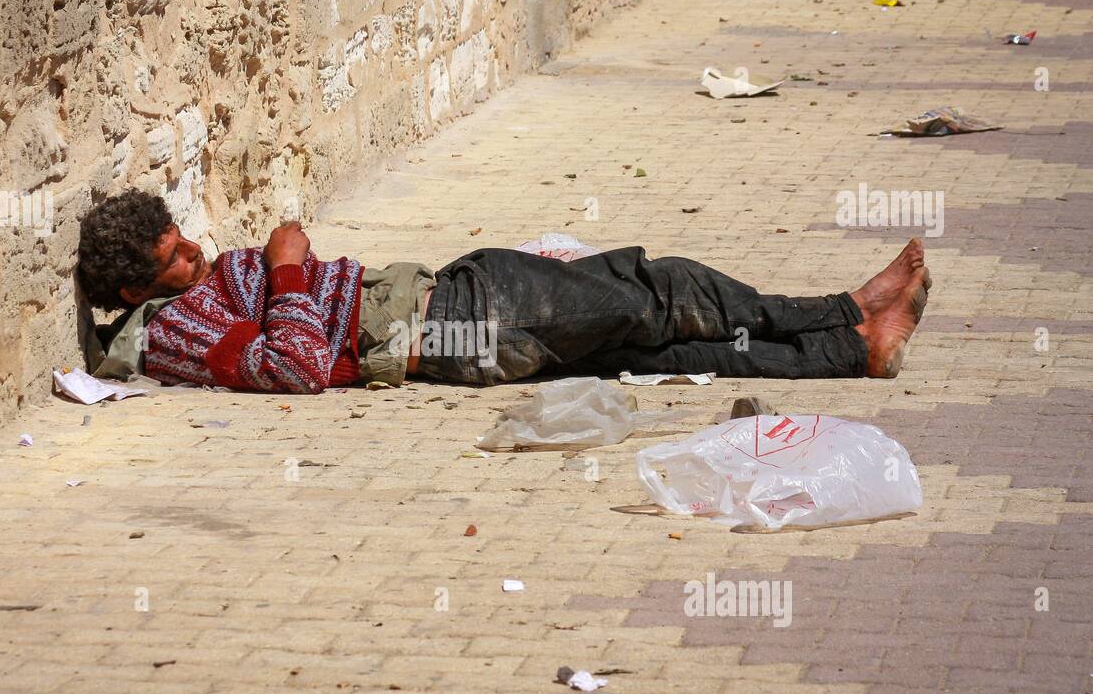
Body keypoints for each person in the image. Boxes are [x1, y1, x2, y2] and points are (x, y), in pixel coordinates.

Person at [76, 189, 931, 394]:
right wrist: (290, 261)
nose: (199, 253)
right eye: (178, 258)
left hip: (452, 299)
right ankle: (844, 308)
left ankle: (853, 351)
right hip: (452, 325)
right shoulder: (174, 336)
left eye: (188, 239)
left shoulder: (190, 304)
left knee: (656, 348)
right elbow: (296, 367)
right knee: (658, 290)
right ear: (132, 289)